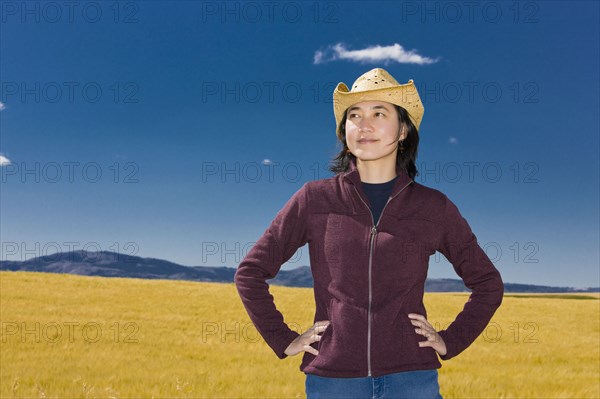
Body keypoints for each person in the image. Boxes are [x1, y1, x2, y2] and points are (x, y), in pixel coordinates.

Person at [234, 68, 504, 399]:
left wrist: (452, 339)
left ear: (403, 129)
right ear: (344, 130)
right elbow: (250, 272)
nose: (365, 124)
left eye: (379, 113)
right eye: (355, 115)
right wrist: (282, 337)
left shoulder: (433, 207)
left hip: (412, 381)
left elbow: (488, 283)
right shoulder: (314, 199)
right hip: (333, 381)